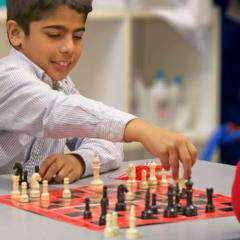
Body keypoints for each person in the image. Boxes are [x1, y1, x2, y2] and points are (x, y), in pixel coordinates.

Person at [0, 0, 197, 183]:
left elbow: (108, 141)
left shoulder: (60, 83)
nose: (69, 47)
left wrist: (79, 160)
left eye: (77, 36)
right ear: (15, 33)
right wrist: (142, 129)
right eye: (54, 35)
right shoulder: (8, 77)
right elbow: (54, 111)